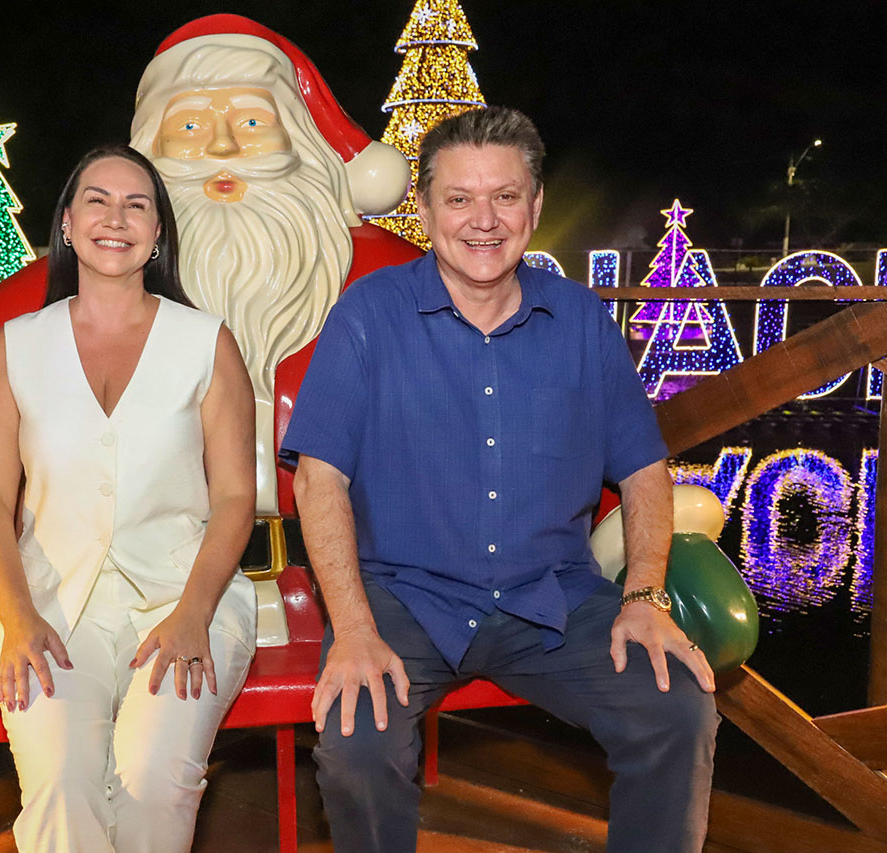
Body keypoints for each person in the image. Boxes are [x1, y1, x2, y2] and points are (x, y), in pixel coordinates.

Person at [279, 107, 720, 852]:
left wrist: (644, 595)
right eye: (459, 199)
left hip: (552, 598)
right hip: (405, 600)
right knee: (357, 747)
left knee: (676, 707)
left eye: (505, 196)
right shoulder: (368, 314)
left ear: (534, 206)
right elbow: (317, 479)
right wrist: (351, 628)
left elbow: (645, 468)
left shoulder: (582, 320)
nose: (483, 220)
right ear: (425, 211)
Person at [0, 144, 258, 852]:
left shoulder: (206, 343)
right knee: (60, 786)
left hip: (185, 596)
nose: (116, 218)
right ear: (67, 223)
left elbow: (234, 497)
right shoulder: (17, 346)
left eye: (137, 205)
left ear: (157, 233)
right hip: (48, 603)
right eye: (97, 200)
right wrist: (17, 614)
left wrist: (194, 613)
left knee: (155, 781)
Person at [130, 14, 415, 514]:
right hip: (162, 557)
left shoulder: (390, 273)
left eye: (252, 123)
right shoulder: (101, 276)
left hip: (338, 552)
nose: (223, 147)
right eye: (190, 126)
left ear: (298, 141)